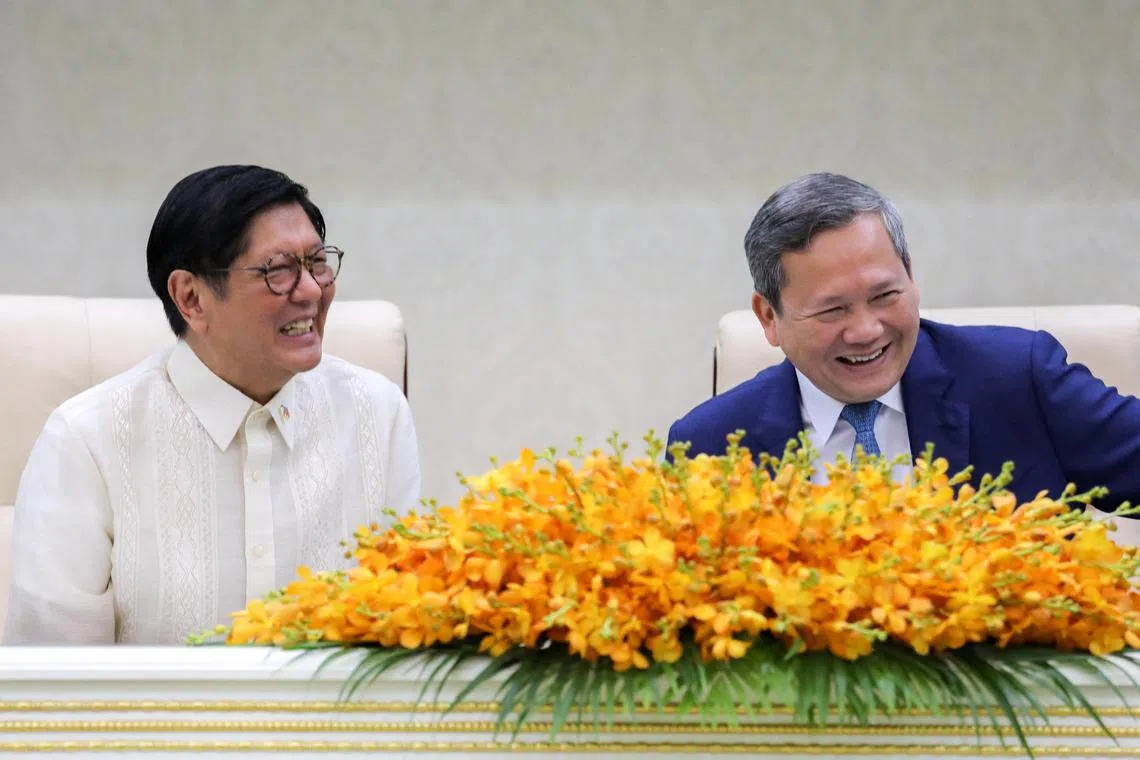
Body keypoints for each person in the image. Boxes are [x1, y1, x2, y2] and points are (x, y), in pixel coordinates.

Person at [4, 165, 422, 645]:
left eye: (317, 263)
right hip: (151, 723)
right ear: (191, 298)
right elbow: (55, 682)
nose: (309, 291)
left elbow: (401, 638)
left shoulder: (377, 414)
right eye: (278, 271)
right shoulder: (87, 441)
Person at [668, 171, 1140, 512]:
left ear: (910, 277)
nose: (866, 330)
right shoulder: (709, 447)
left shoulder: (1019, 378)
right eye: (833, 309)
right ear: (769, 316)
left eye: (885, 295)